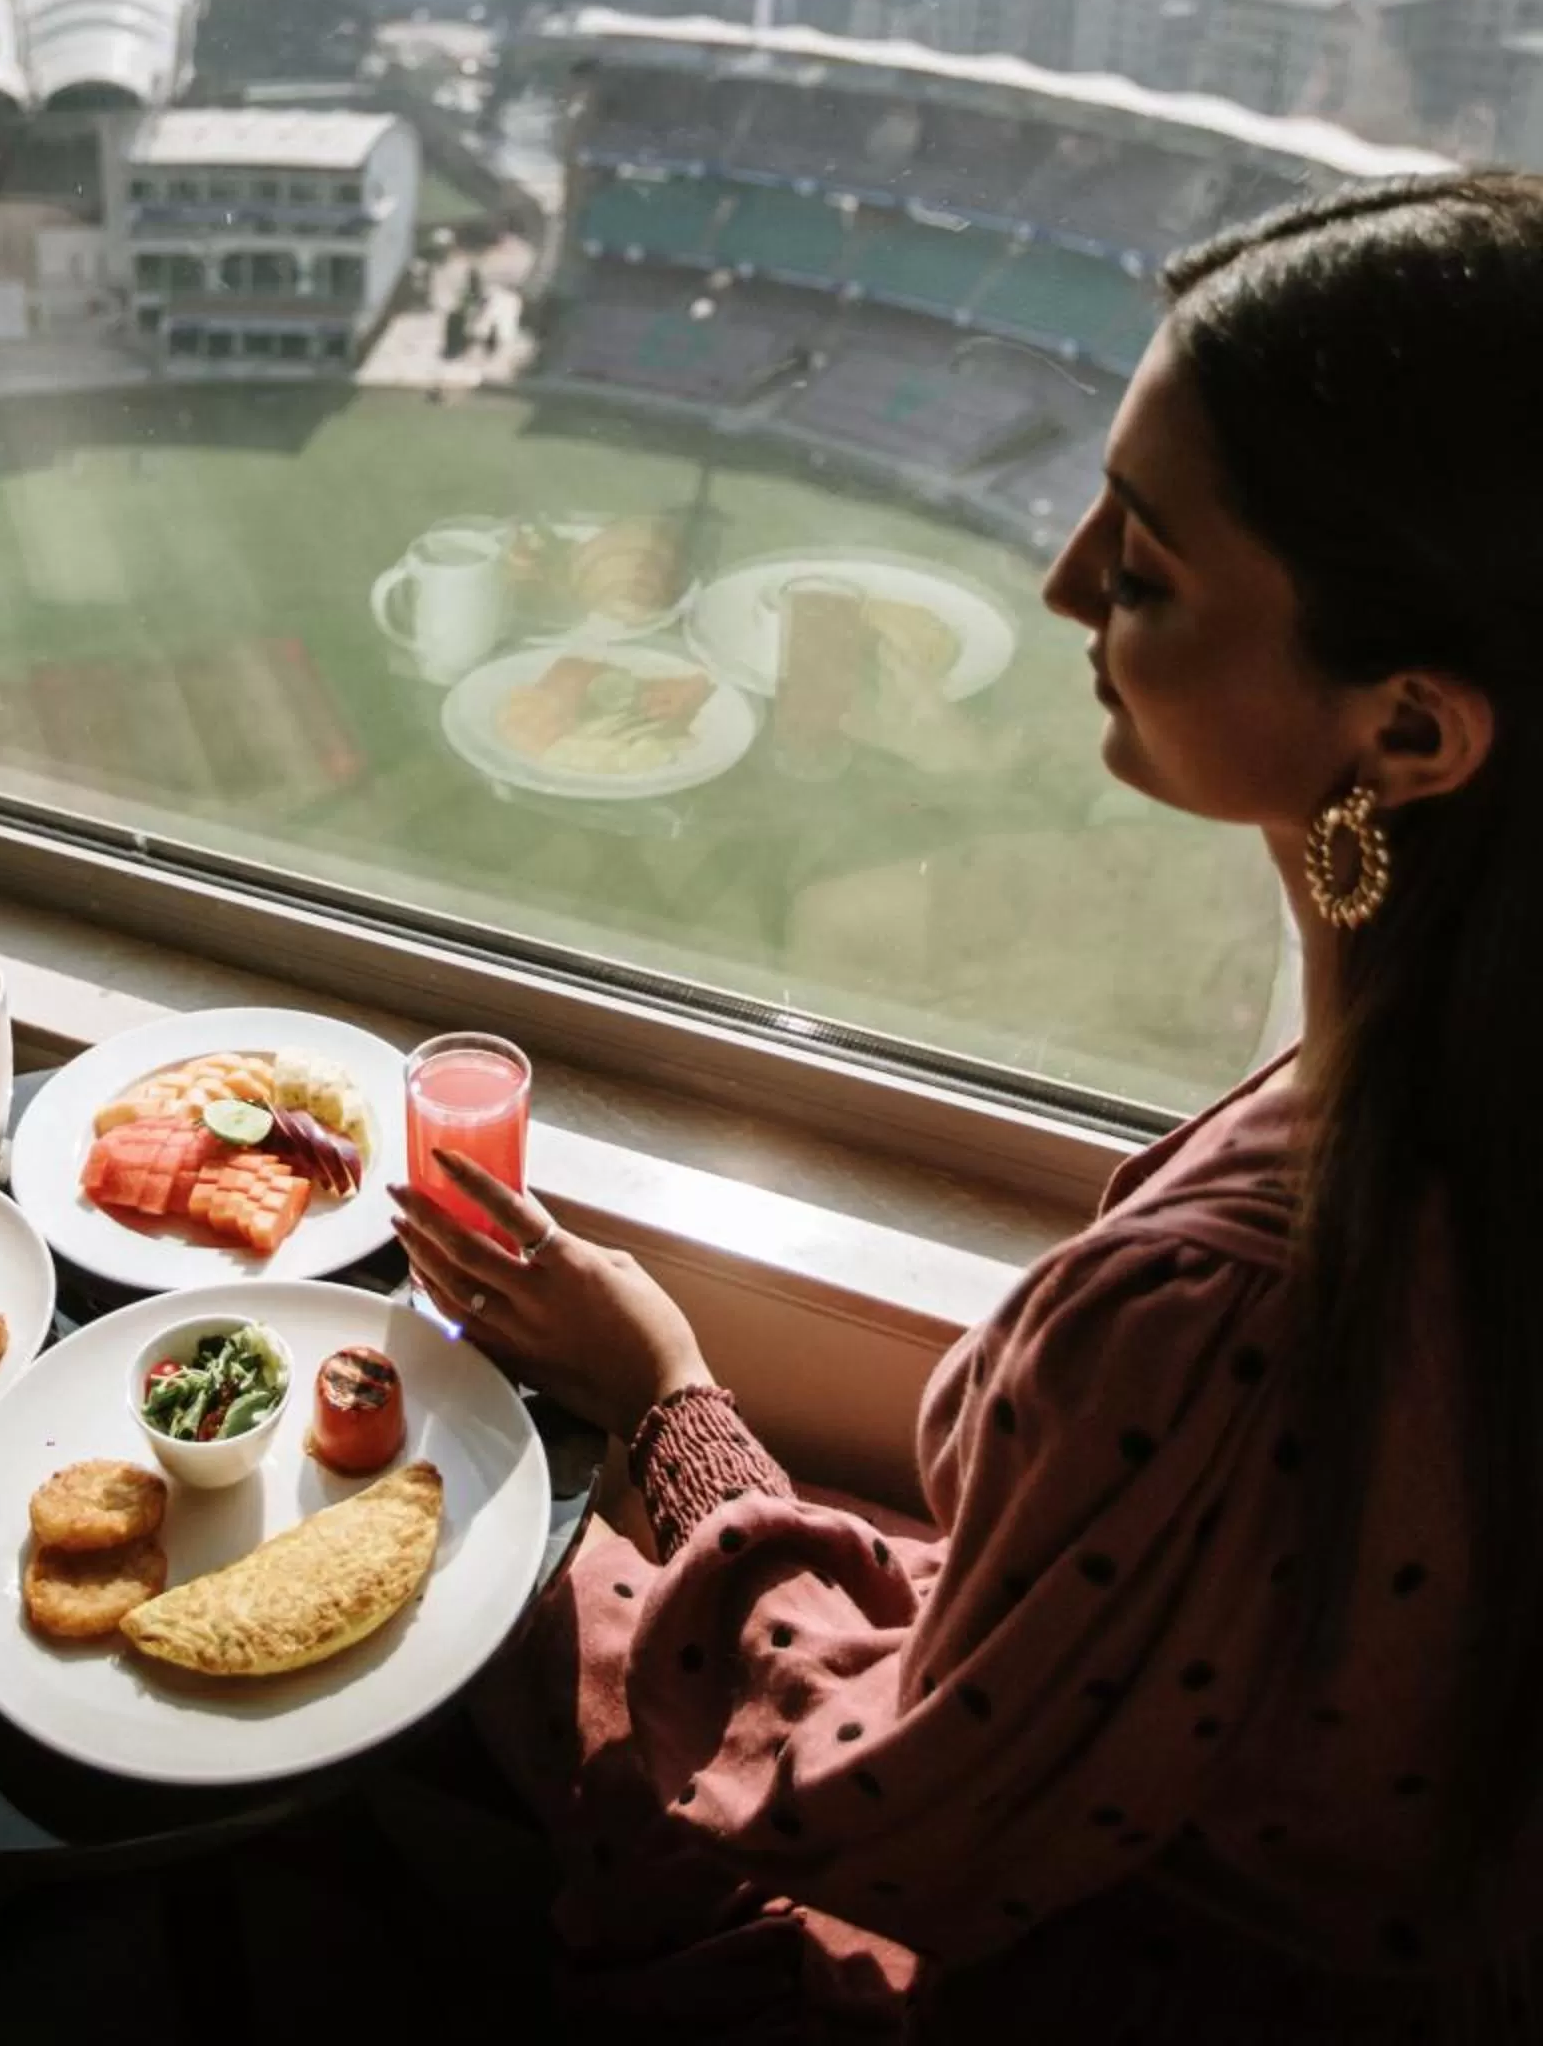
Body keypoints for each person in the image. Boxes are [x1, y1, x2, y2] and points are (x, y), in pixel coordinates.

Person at [390, 172, 1543, 2042]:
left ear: (1407, 731)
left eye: (1146, 565)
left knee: (483, 1582)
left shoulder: (1234, 1308)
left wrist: (667, 1395)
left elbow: (877, 1804)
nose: (1064, 581)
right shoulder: (1459, 1070)